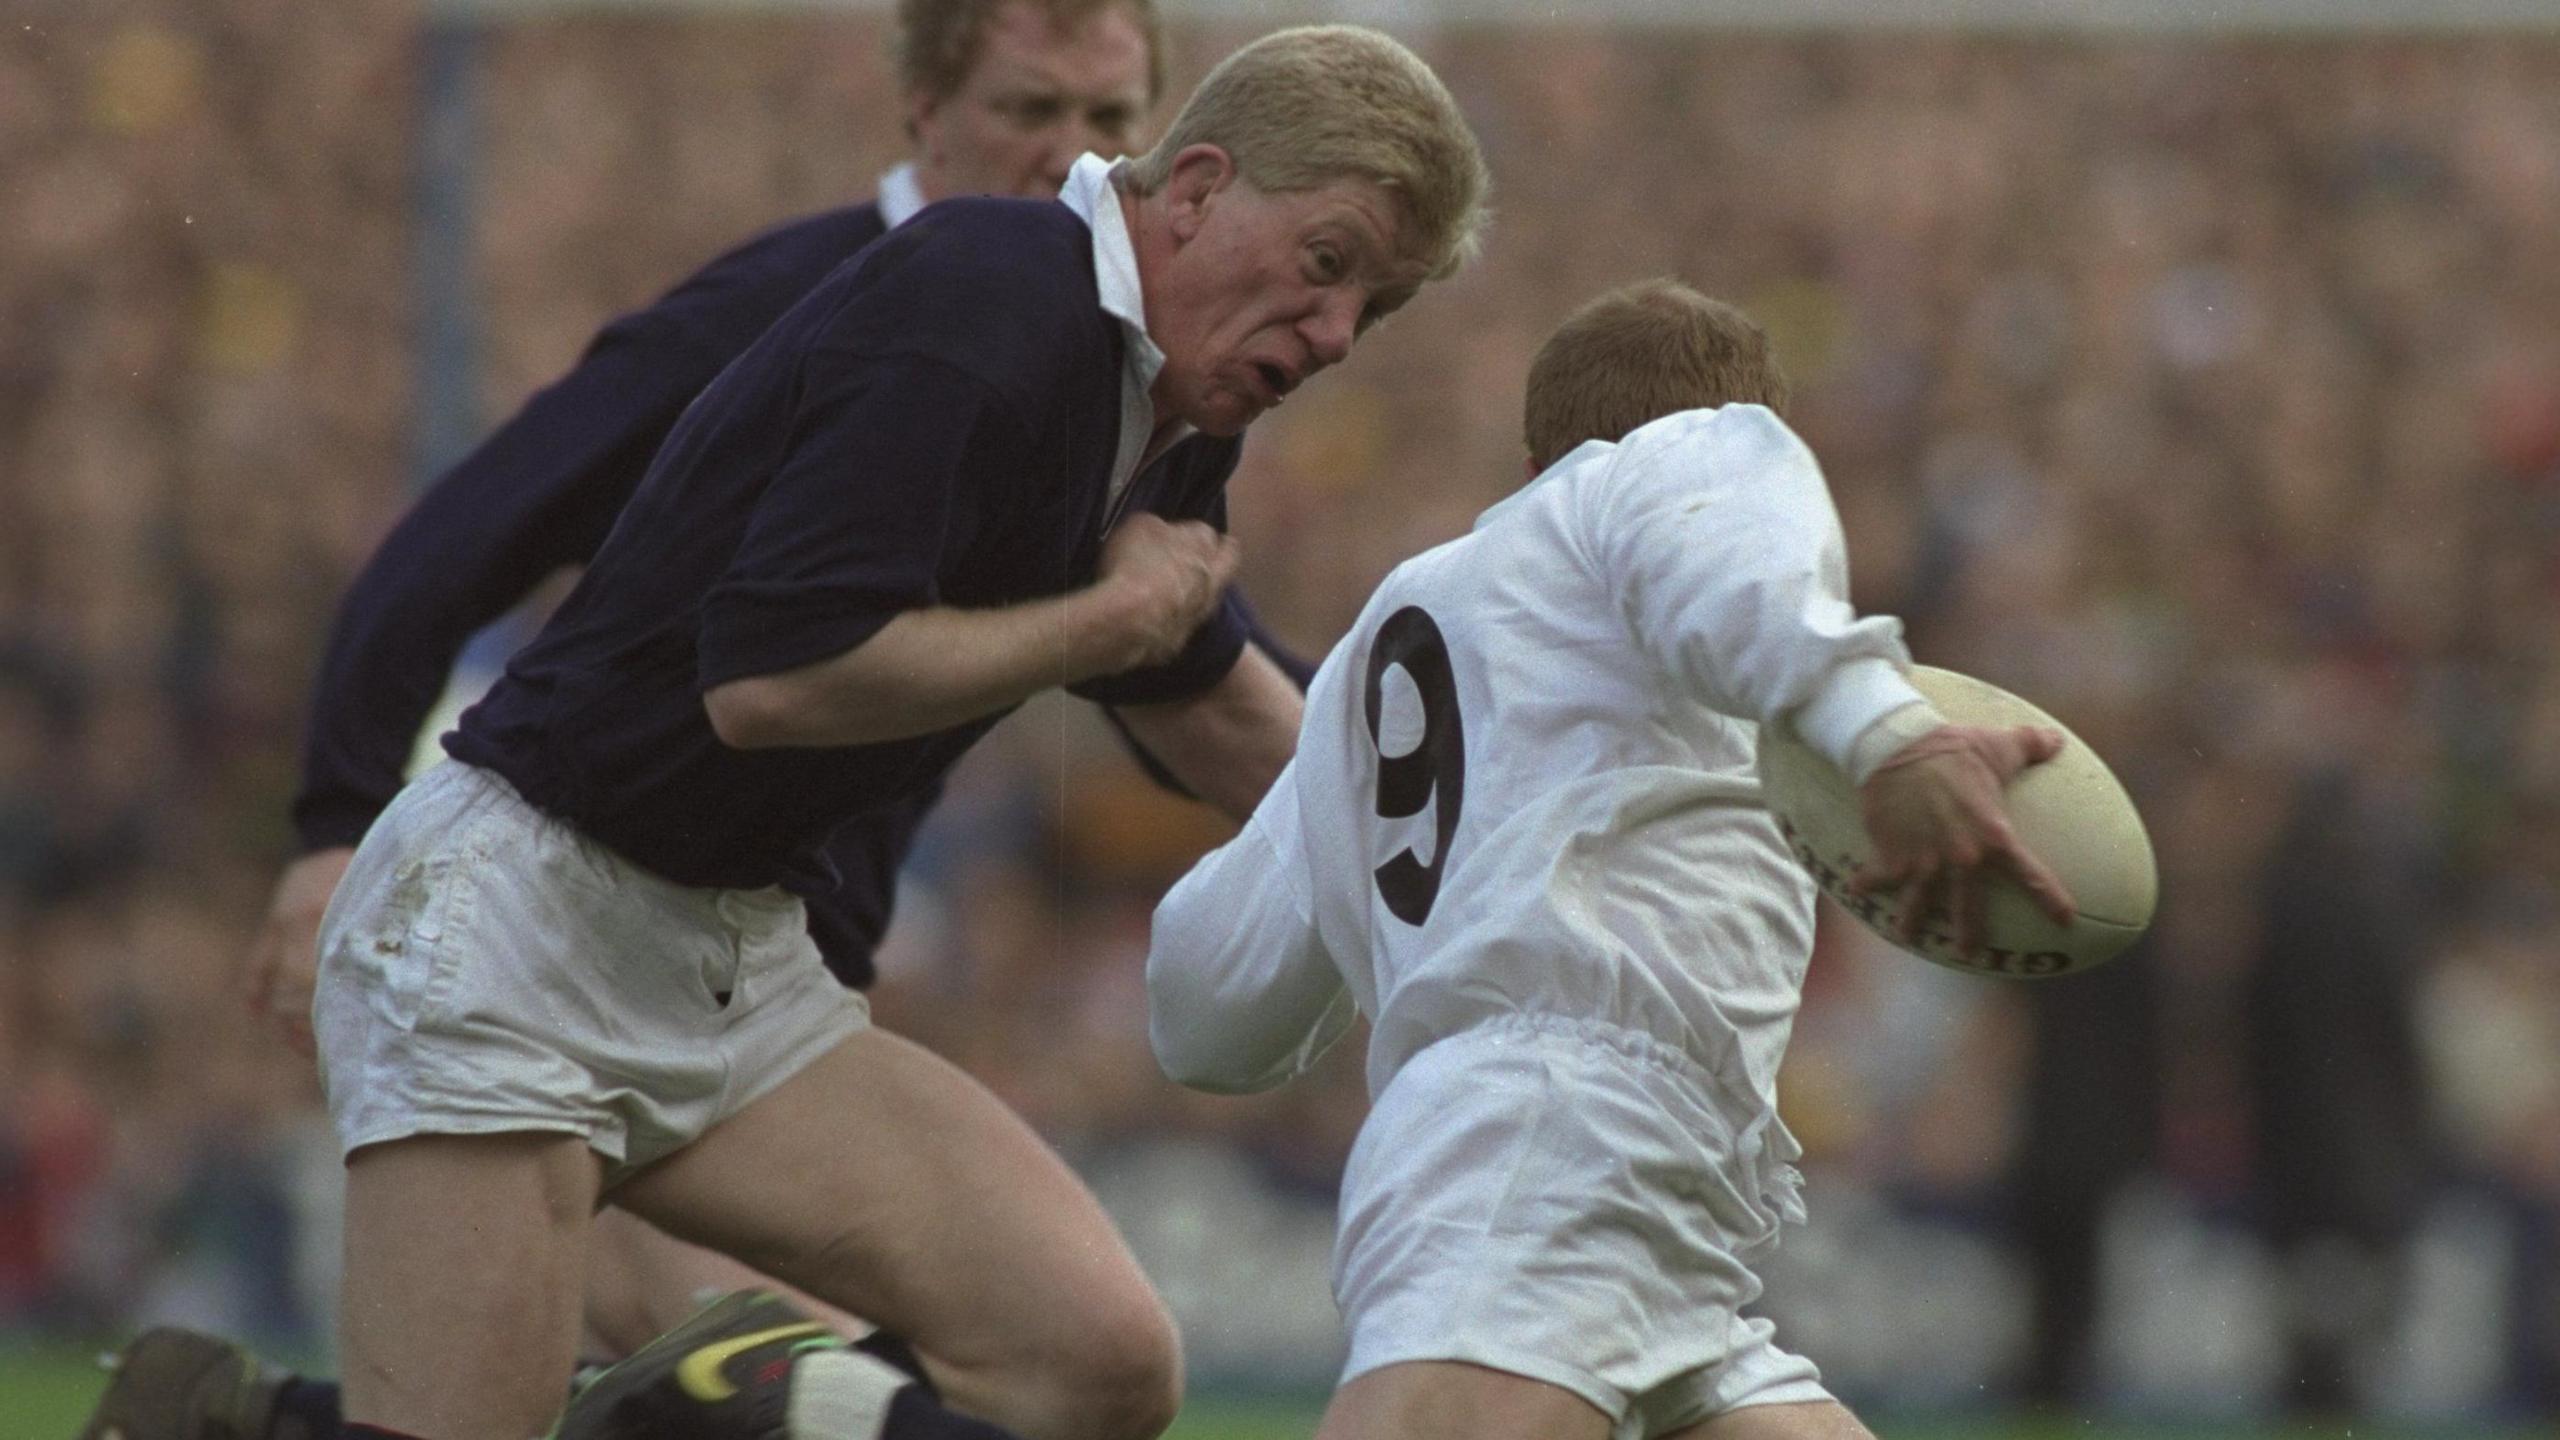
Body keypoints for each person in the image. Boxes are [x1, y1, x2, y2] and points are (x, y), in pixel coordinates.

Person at [72, 4, 1302, 1439]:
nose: (1066, 157)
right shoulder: (799, 297)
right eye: (1031, 110)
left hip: (770, 982)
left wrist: (1422, 840)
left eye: (1108, 124)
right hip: (565, 933)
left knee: (848, 1383)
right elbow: (469, 531)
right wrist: (332, 821)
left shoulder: (1120, 376)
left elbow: (1201, 675)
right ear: (920, 108)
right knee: (769, 1382)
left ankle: (261, 1424)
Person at [312, 24, 1486, 1440]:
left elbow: (1213, 702)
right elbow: (770, 682)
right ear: (1195, 189)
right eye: (1328, 262)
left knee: (1097, 1363)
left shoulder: (1170, 389)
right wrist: (1099, 629)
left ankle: (701, 1409)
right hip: (509, 928)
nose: (1339, 335)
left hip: (731, 958)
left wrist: (1478, 894)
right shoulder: (987, 290)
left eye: (1381, 305)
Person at [1143, 280, 2076, 1440]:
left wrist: (1414, 941)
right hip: (1556, 1131)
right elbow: (1734, 563)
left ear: (1533, 454)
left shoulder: (1387, 642)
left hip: (1630, 1180)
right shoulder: (1693, 459)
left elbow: (1201, 1007)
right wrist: (1894, 739)